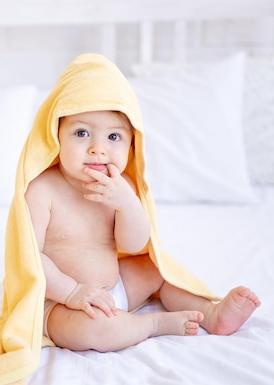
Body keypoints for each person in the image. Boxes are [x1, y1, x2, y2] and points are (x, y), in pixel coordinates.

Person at [24, 54, 260, 352]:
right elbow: (29, 256)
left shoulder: (122, 187)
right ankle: (154, 324)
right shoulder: (43, 191)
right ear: (55, 134)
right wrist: (73, 293)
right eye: (82, 133)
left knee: (157, 271)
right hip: (61, 301)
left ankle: (211, 314)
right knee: (89, 332)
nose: (98, 149)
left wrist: (127, 205)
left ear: (131, 144)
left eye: (113, 136)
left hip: (117, 288)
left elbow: (134, 244)